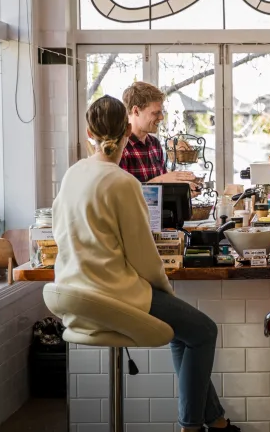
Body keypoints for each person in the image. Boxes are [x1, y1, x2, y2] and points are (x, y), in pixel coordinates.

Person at [53, 96, 240, 432]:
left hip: (72, 291)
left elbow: (58, 233)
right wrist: (165, 288)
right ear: (127, 128)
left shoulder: (72, 175)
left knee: (185, 332)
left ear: (87, 134)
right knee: (204, 331)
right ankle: (191, 427)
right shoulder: (123, 183)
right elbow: (143, 257)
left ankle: (217, 422)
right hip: (114, 294)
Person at [120, 81, 199, 192]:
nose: (161, 117)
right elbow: (121, 194)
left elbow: (162, 193)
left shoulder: (154, 143)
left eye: (161, 112)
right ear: (136, 111)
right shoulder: (120, 147)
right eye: (155, 113)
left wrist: (183, 190)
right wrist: (161, 180)